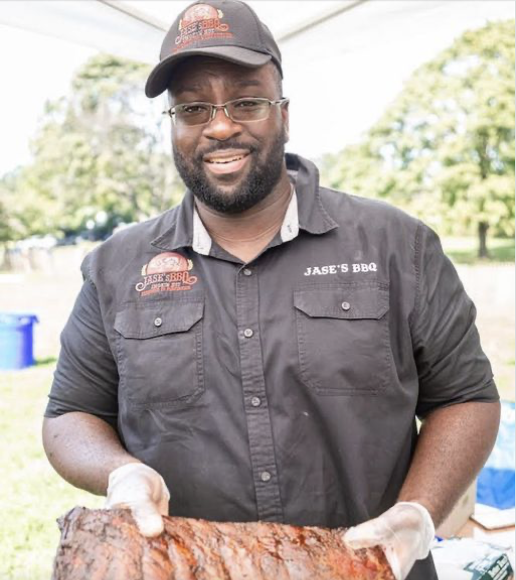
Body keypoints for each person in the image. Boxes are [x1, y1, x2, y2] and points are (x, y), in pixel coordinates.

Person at [42, 1, 500, 578]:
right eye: (193, 108)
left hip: (373, 568)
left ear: (284, 114)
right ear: (175, 125)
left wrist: (419, 509)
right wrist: (118, 471)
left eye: (247, 100)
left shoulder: (395, 245)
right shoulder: (115, 267)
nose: (220, 125)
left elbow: (465, 397)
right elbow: (69, 414)